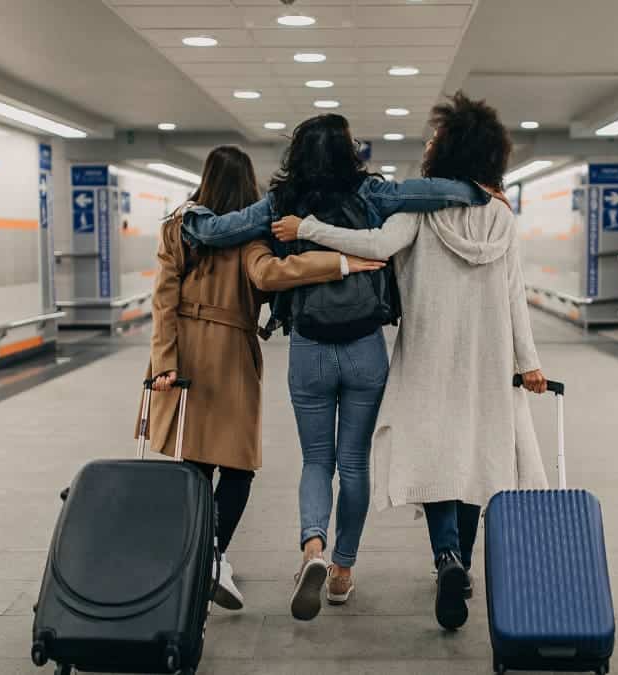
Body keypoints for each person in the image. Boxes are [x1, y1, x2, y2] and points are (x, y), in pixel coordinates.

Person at [181, 114, 491, 622]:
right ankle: (343, 570)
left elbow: (220, 230)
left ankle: (313, 550)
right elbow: (430, 192)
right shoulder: (372, 192)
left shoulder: (283, 203)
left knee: (316, 461)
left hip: (309, 348)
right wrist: (476, 192)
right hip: (365, 347)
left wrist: (189, 216)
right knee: (354, 465)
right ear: (350, 151)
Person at [271, 92, 550, 631]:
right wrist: (528, 361)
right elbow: (515, 294)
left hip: (427, 353)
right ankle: (458, 563)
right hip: (487, 359)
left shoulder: (418, 213)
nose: (428, 145)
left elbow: (372, 245)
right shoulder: (502, 218)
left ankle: (443, 556)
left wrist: (306, 228)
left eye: (435, 139)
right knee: (474, 457)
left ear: (449, 152)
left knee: (436, 457)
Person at [144, 145, 385, 611]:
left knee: (193, 464)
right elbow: (273, 273)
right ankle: (213, 555)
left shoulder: (177, 228)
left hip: (185, 357)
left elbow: (162, 301)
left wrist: (164, 364)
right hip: (231, 355)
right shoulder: (249, 237)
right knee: (237, 470)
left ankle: (197, 556)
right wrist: (341, 262)